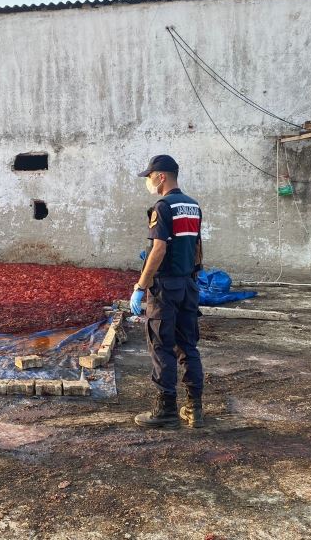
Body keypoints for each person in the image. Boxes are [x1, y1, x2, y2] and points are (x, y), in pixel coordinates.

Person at [130, 155, 205, 429]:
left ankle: (166, 409)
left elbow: (158, 249)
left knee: (161, 345)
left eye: (149, 176)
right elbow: (197, 246)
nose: (148, 182)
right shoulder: (192, 205)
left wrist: (140, 286)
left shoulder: (162, 206)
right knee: (188, 346)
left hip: (166, 289)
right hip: (188, 285)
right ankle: (194, 408)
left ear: (161, 176)